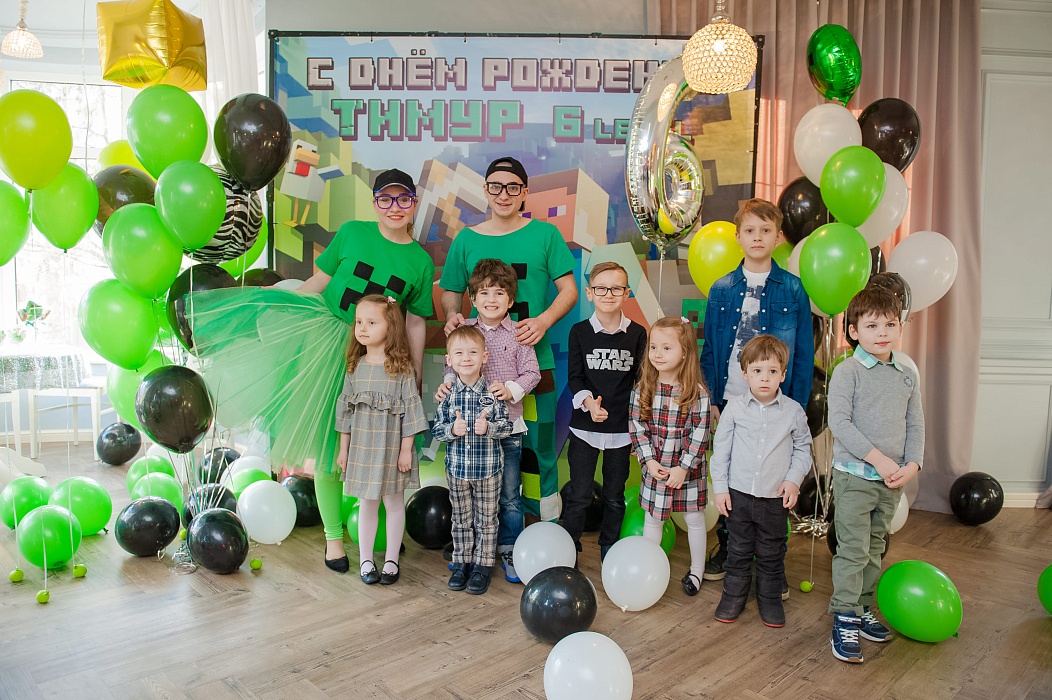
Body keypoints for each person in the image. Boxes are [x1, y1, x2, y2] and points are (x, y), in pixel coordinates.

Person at [188, 168, 434, 574]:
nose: (395, 207)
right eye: (386, 199)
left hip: (379, 359)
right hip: (327, 341)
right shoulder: (353, 233)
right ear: (375, 203)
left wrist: (416, 373)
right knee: (330, 447)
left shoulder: (420, 261)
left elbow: (416, 321)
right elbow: (321, 280)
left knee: (381, 447)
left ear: (414, 204)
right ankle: (334, 539)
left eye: (403, 199)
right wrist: (282, 310)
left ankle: (382, 540)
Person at [440, 156, 578, 525]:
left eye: (513, 187)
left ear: (524, 192)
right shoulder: (466, 239)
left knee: (540, 446)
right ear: (485, 191)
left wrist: (544, 321)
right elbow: (451, 291)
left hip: (534, 362)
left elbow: (569, 290)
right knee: (483, 446)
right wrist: (452, 315)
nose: (504, 194)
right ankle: (496, 528)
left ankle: (545, 525)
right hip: (478, 371)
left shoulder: (546, 235)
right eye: (496, 186)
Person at [700, 198, 814, 585]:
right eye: (750, 230)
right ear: (738, 237)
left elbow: (803, 354)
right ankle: (729, 547)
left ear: (778, 237)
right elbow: (711, 350)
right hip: (733, 399)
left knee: (772, 477)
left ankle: (772, 561)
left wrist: (796, 404)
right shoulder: (722, 289)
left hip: (777, 402)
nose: (758, 237)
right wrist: (713, 400)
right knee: (735, 472)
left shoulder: (793, 290)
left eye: (766, 230)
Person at [827, 287, 923, 663]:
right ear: (854, 331)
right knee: (853, 549)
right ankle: (845, 616)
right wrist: (879, 460)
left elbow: (916, 424)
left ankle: (863, 606)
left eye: (889, 324)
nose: (882, 332)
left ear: (900, 327)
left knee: (875, 547)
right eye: (871, 325)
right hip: (855, 476)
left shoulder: (906, 375)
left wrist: (912, 464)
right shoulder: (847, 372)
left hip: (891, 480)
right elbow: (840, 423)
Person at [435, 259, 540, 583]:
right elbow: (451, 365)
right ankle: (470, 551)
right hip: (466, 434)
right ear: (472, 298)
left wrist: (510, 389)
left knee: (508, 495)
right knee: (469, 498)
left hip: (507, 427)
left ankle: (507, 548)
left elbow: (532, 373)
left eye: (499, 293)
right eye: (483, 293)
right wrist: (447, 383)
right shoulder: (464, 329)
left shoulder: (519, 334)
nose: (491, 299)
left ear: (510, 300)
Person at [710, 335, 812, 627]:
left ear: (783, 374)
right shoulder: (734, 409)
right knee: (738, 549)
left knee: (771, 551)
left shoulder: (793, 412)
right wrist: (720, 489)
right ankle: (733, 596)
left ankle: (770, 599)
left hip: (774, 497)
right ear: (745, 374)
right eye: (757, 371)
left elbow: (803, 449)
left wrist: (793, 480)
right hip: (739, 495)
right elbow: (721, 451)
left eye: (772, 371)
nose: (764, 378)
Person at [336, 295, 428, 585]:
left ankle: (391, 559)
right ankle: (366, 560)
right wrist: (343, 450)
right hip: (363, 449)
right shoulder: (355, 367)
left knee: (394, 503)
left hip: (391, 450)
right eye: (359, 322)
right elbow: (345, 413)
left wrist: (406, 450)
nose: (362, 328)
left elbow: (411, 411)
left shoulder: (402, 369)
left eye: (371, 322)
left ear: (390, 327)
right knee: (367, 504)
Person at [562, 261, 647, 562]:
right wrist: (589, 404)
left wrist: (639, 428)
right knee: (579, 494)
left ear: (627, 292)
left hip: (621, 431)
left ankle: (609, 545)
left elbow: (641, 382)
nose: (608, 294)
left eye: (615, 288)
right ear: (589, 293)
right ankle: (569, 544)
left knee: (614, 496)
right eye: (601, 288)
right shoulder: (579, 332)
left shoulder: (638, 334)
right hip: (584, 428)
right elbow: (575, 377)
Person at [629, 317, 711, 596]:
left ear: (685, 352)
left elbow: (700, 434)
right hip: (656, 467)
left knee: (694, 519)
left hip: (688, 470)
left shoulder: (696, 393)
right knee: (653, 519)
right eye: (653, 347)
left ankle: (697, 570)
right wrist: (649, 461)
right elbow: (637, 427)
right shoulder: (643, 389)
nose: (658, 354)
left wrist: (684, 468)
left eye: (667, 348)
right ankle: (650, 571)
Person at [432, 325, 514, 595]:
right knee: (461, 519)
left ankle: (482, 565)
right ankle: (461, 562)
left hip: (488, 470)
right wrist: (451, 430)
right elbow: (437, 430)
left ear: (484, 357)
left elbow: (507, 427)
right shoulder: (447, 396)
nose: (466, 358)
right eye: (459, 353)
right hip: (457, 470)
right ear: (449, 359)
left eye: (473, 352)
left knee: (487, 520)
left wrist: (488, 428)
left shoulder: (493, 394)